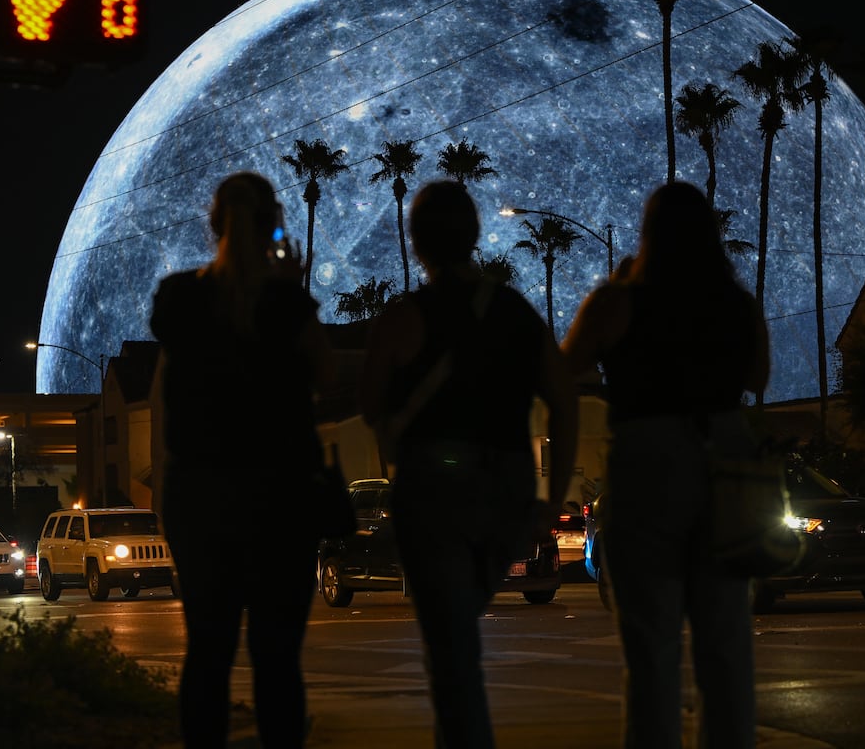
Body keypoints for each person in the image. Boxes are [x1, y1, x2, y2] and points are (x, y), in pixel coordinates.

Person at [359, 179, 578, 749]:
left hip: (431, 488)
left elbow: (371, 404)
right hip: (503, 486)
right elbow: (563, 400)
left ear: (417, 244)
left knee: (451, 652)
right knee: (462, 628)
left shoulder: (404, 318)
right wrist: (550, 501)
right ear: (475, 235)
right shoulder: (515, 313)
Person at [561, 180, 770, 749]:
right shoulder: (734, 304)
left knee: (650, 647)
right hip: (724, 456)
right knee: (725, 645)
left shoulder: (620, 301)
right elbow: (759, 377)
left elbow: (567, 364)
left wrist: (619, 288)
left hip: (646, 459)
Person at [150, 170, 336, 748]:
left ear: (214, 223)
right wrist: (287, 282)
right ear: (272, 223)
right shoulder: (286, 303)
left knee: (208, 648)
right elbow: (325, 377)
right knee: (277, 654)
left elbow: (167, 384)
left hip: (199, 495)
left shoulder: (178, 299)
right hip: (281, 494)